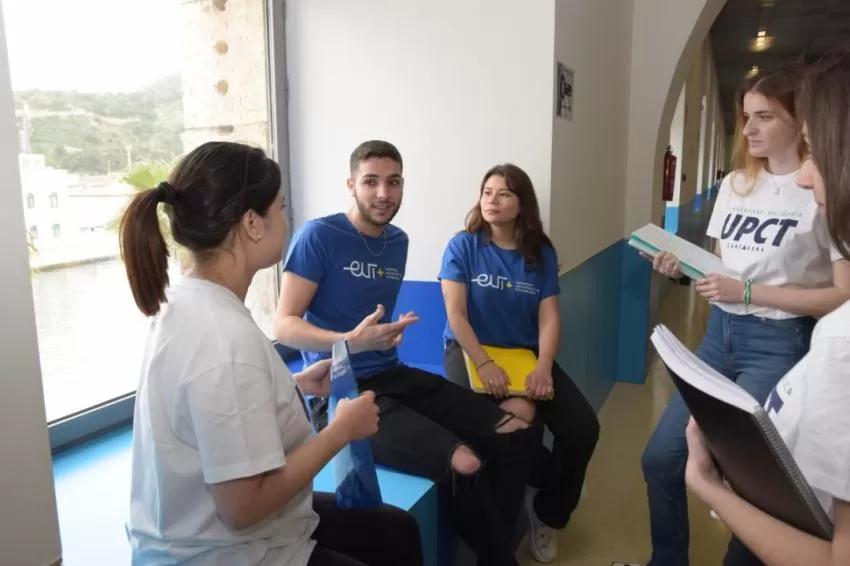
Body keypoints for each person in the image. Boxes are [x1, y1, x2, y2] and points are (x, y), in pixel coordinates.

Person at [122, 141, 422, 566]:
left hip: (211, 532)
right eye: (280, 208)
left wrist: (293, 384)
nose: (286, 219)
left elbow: (212, 403)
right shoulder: (226, 340)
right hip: (228, 553)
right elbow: (243, 508)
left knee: (397, 530)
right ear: (252, 224)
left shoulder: (186, 303)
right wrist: (340, 431)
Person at [275, 140, 538, 566]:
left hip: (394, 375)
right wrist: (351, 340)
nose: (384, 193)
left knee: (515, 431)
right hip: (341, 391)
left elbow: (372, 319)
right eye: (371, 182)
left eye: (394, 182)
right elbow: (284, 325)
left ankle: (498, 546)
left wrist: (386, 336)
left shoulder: (398, 241)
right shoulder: (318, 236)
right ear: (351, 185)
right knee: (465, 463)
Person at [641, 64, 850, 566]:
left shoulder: (824, 191)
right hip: (719, 335)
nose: (750, 129)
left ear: (800, 122)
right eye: (746, 117)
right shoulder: (737, 183)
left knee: (756, 486)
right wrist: (680, 270)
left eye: (765, 117)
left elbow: (842, 296)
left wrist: (752, 291)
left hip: (779, 343)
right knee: (661, 458)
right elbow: (720, 268)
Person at [439, 163, 599, 563]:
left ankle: (548, 511)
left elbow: (549, 318)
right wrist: (485, 363)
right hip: (468, 352)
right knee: (505, 425)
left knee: (582, 427)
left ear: (522, 203)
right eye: (487, 192)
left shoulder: (540, 253)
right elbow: (456, 316)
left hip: (524, 357)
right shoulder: (463, 246)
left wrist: (543, 367)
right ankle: (530, 494)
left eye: (505, 193)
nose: (492, 200)